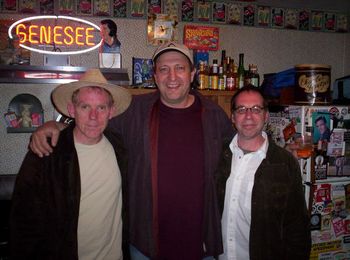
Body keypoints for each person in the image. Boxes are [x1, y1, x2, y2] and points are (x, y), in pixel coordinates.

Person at [29, 42, 234, 259]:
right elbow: (94, 121)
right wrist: (56, 125)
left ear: (192, 73)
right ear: (155, 76)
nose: (172, 77)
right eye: (164, 69)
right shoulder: (134, 110)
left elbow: (236, 158)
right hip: (145, 244)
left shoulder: (214, 115)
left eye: (180, 68)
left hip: (200, 244)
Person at [10, 69, 132, 259]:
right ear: (72, 109)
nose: (93, 116)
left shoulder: (120, 147)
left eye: (101, 108)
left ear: (111, 111)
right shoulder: (46, 152)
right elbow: (23, 223)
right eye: (85, 107)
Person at [218, 85, 311, 259]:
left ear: (266, 115)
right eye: (241, 109)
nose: (248, 116)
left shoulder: (284, 163)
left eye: (256, 109)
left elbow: (297, 227)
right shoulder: (217, 155)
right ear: (232, 116)